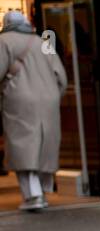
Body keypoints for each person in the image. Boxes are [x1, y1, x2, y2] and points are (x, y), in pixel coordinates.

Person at [0, 11, 67, 212]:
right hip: (48, 100)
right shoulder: (42, 41)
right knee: (44, 146)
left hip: (19, 100)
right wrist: (54, 96)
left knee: (23, 147)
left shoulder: (3, 41)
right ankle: (42, 192)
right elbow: (61, 77)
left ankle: (33, 195)